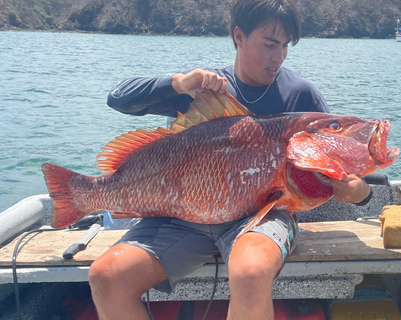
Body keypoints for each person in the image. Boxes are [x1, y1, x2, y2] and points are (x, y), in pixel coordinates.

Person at [88, 0, 372, 319]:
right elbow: (118, 98)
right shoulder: (202, 89)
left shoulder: (302, 96)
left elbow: (336, 166)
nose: (277, 56)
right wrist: (176, 83)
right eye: (268, 44)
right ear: (239, 36)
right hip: (182, 216)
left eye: (284, 46)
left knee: (251, 273)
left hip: (262, 214)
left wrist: (361, 194)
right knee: (107, 276)